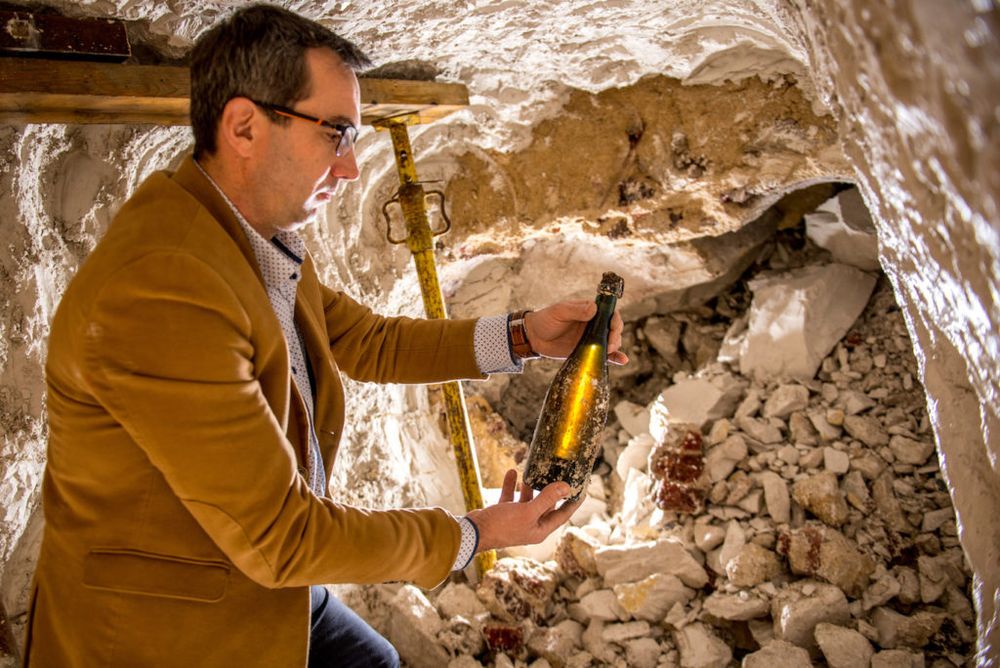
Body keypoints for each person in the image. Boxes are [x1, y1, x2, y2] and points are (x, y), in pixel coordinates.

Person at [26, 5, 626, 667]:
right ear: (245, 126)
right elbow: (282, 535)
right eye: (336, 134)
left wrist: (525, 337)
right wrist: (473, 535)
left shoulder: (246, 237)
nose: (349, 169)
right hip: (174, 624)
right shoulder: (166, 285)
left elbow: (368, 342)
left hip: (264, 583)